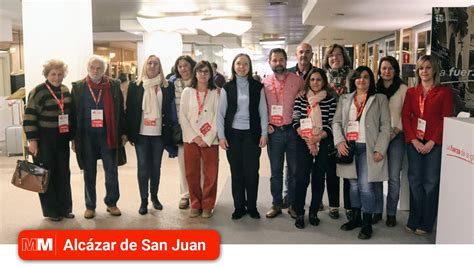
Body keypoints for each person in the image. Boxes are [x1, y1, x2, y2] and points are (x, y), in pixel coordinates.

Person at [332, 66, 390, 239]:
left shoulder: (379, 99)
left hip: (368, 148)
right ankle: (356, 218)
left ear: (371, 80)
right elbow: (336, 122)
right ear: (353, 80)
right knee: (354, 186)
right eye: (358, 77)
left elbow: (386, 126)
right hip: (349, 147)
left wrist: (380, 148)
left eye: (365, 77)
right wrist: (340, 141)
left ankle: (367, 223)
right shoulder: (345, 99)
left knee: (366, 186)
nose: (361, 80)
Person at [402, 55, 453, 235]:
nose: (424, 71)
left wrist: (432, 142)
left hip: (434, 143)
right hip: (414, 142)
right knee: (415, 182)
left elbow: (445, 119)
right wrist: (413, 140)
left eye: (428, 68)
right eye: (421, 68)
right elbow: (405, 117)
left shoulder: (444, 92)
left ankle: (426, 222)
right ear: (417, 71)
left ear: (434, 70)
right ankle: (414, 219)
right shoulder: (411, 92)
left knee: (430, 183)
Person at [71, 55, 127, 219]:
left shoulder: (114, 85)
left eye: (99, 68)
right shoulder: (79, 87)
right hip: (86, 136)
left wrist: (123, 132)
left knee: (111, 170)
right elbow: (73, 114)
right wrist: (74, 139)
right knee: (89, 171)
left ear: (105, 70)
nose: (96, 71)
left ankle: (111, 203)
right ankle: (90, 206)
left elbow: (121, 112)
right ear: (88, 69)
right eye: (93, 68)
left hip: (108, 134)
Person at [217, 53, 268, 220]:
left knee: (252, 172)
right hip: (233, 135)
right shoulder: (227, 87)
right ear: (234, 65)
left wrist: (264, 133)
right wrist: (221, 136)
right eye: (238, 63)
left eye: (245, 64)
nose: (242, 67)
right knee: (237, 172)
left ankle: (252, 206)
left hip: (252, 135)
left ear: (249, 66)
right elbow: (220, 114)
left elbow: (263, 111)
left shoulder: (257, 86)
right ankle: (239, 206)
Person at [23, 59, 75, 221]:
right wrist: (32, 140)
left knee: (63, 174)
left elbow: (71, 116)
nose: (57, 78)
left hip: (61, 139)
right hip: (44, 139)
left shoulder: (65, 90)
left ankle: (65, 208)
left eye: (60, 74)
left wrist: (73, 138)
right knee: (45, 175)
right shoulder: (38, 91)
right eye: (53, 74)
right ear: (47, 74)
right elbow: (29, 117)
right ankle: (51, 211)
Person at [125, 55, 177, 215]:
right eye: (150, 63)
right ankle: (143, 201)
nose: (152, 66)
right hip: (141, 134)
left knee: (156, 167)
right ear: (145, 66)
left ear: (160, 67)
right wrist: (128, 134)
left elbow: (169, 110)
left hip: (159, 134)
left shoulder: (167, 86)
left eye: (156, 64)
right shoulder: (136, 85)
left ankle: (154, 197)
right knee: (143, 168)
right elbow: (131, 110)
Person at [292, 68, 337, 228]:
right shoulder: (301, 99)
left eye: (318, 79)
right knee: (301, 179)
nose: (315, 82)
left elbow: (331, 123)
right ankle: (299, 213)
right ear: (308, 82)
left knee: (318, 179)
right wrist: (308, 140)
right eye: (312, 80)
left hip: (323, 142)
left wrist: (317, 138)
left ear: (324, 81)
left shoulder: (330, 100)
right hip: (303, 142)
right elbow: (296, 120)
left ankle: (313, 212)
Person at [263, 48, 304, 219]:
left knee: (294, 170)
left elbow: (305, 102)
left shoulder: (298, 80)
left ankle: (293, 204)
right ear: (269, 62)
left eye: (281, 60)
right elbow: (261, 107)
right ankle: (276, 203)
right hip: (274, 132)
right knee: (276, 171)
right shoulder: (264, 83)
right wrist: (266, 124)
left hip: (293, 131)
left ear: (286, 61)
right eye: (275, 60)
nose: (278, 63)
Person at [179, 60, 220, 218]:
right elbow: (182, 116)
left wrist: (207, 138)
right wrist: (195, 137)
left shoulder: (215, 93)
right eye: (200, 71)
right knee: (191, 173)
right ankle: (195, 203)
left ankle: (208, 205)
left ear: (210, 74)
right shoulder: (187, 92)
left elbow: (217, 117)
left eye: (206, 72)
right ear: (195, 73)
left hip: (210, 140)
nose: (203, 74)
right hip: (191, 139)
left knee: (211, 173)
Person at [374, 56, 408, 226]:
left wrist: (395, 131)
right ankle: (377, 211)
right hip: (378, 137)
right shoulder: (374, 88)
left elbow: (407, 113)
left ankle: (392, 213)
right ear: (379, 70)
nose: (386, 71)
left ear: (395, 70)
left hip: (396, 137)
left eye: (390, 68)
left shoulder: (403, 89)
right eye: (384, 68)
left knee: (394, 177)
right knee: (378, 175)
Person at [322, 43, 353, 220]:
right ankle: (334, 205)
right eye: (331, 55)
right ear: (328, 58)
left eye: (338, 55)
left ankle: (349, 206)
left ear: (344, 57)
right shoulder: (323, 78)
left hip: (349, 130)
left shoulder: (353, 76)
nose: (335, 58)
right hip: (328, 130)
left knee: (348, 169)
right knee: (331, 171)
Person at [173, 55, 197, 209]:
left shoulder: (199, 83)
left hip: (199, 129)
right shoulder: (172, 84)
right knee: (183, 164)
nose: (183, 69)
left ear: (192, 67)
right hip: (181, 130)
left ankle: (197, 194)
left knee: (199, 164)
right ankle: (185, 195)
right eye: (180, 66)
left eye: (186, 66)